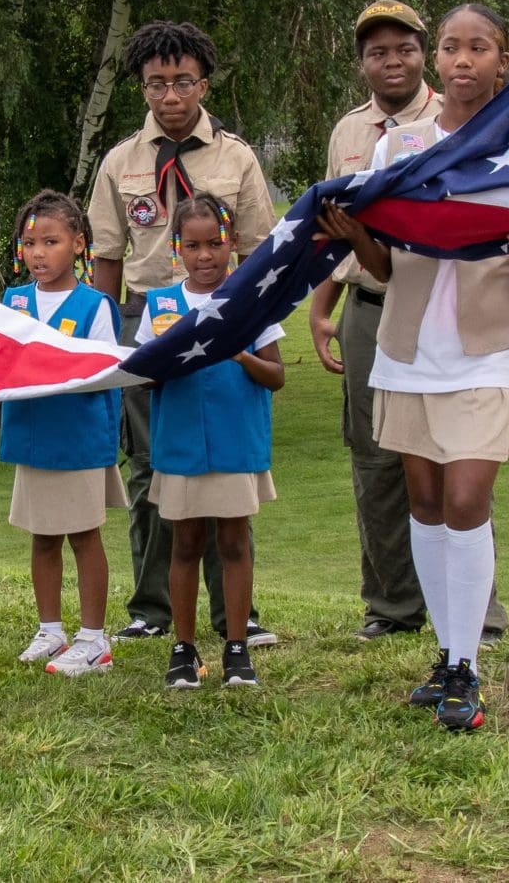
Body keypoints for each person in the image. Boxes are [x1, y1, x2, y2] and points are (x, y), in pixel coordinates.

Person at [319, 4, 509, 734]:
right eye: (452, 46)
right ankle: (446, 658)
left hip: (486, 351)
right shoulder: (402, 149)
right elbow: (385, 264)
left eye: (478, 47)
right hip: (410, 346)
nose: (462, 59)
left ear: (501, 61)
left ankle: (471, 665)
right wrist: (359, 236)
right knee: (421, 501)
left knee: (466, 499)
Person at [307, 0, 509, 644]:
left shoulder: (483, 126)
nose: (391, 60)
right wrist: (321, 308)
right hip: (378, 312)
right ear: (362, 61)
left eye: (404, 48)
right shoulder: (356, 135)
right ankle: (393, 605)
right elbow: (347, 234)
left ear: (424, 54)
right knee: (379, 463)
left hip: (468, 325)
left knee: (466, 480)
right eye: (376, 51)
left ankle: (478, 618)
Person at [86, 20, 278, 648]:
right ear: (141, 87)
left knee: (226, 464)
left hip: (224, 314)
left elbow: (257, 250)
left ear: (204, 82)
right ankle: (152, 606)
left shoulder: (236, 155)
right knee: (150, 466)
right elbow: (108, 256)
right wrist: (109, 340)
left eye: (184, 81)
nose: (171, 96)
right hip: (150, 317)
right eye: (157, 83)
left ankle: (235, 615)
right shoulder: (121, 161)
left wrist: (250, 321)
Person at [138, 197, 286, 689]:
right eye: (193, 245)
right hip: (180, 445)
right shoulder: (160, 306)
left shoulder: (252, 301)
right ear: (176, 249)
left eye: (215, 244)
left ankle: (237, 648)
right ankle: (183, 649)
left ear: (233, 243)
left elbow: (276, 375)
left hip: (233, 443)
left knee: (233, 541)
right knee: (184, 543)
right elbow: (142, 375)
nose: (205, 256)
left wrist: (241, 354)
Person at [0, 190, 126, 678]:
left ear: (78, 243)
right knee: (42, 536)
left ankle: (95, 639)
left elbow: (103, 373)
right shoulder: (14, 301)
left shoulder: (95, 306)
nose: (38, 253)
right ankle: (50, 628)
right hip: (32, 437)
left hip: (78, 441)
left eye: (50, 241)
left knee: (82, 535)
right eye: (29, 243)